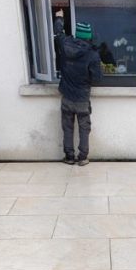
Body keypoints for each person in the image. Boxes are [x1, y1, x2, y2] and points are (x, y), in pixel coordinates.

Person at [55, 20, 103, 165]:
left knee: (67, 128)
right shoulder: (92, 55)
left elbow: (59, 34)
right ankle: (82, 158)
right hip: (82, 98)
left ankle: (69, 157)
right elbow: (97, 79)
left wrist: (59, 19)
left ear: (77, 35)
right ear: (88, 37)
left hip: (67, 97)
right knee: (84, 128)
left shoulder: (64, 45)